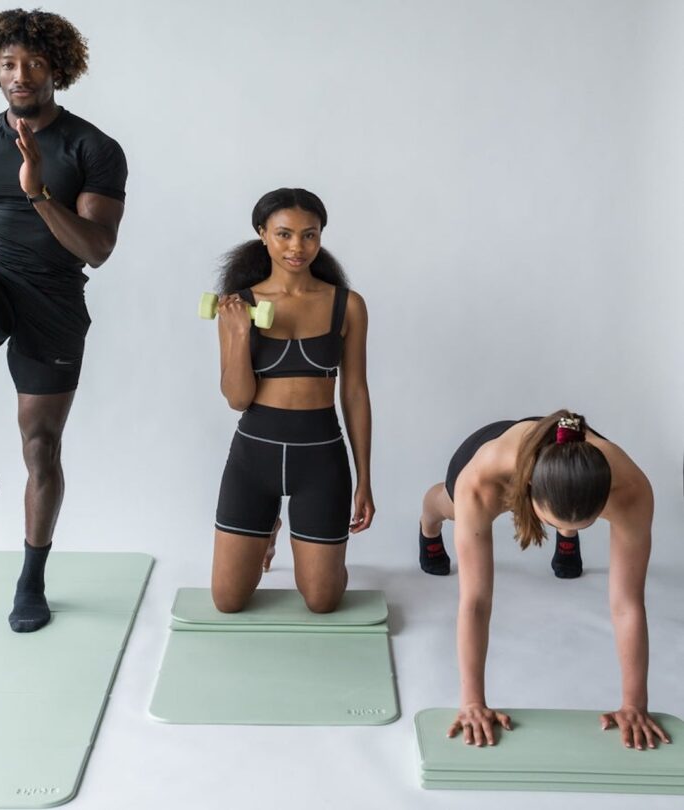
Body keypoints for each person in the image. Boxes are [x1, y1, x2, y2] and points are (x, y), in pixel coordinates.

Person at [0, 9, 127, 632]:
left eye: (34, 64)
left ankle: (31, 577)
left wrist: (38, 192)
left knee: (41, 446)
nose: (21, 75)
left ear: (56, 69)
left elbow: (96, 249)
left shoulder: (92, 147)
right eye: (9, 64)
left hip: (53, 297)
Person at [419, 411, 670, 749]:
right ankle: (427, 523)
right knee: (447, 505)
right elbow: (476, 602)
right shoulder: (483, 481)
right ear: (530, 492)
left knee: (567, 514)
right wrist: (473, 703)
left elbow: (627, 604)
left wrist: (634, 705)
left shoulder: (631, 489)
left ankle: (567, 531)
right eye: (551, 520)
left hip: (564, 458)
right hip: (495, 454)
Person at [211, 188, 374, 614]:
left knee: (322, 600)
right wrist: (240, 334)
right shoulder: (238, 305)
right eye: (284, 234)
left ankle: (317, 556)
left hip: (320, 459)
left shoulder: (348, 306)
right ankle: (268, 531)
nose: (297, 247)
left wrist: (365, 479)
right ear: (262, 234)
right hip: (253, 458)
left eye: (309, 235)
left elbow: (355, 393)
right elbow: (237, 398)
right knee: (227, 601)